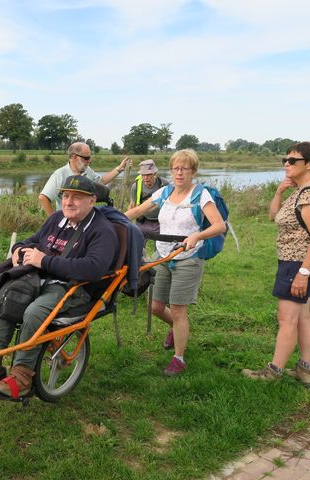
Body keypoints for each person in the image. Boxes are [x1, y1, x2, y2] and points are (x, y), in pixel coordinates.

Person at [0, 175, 118, 398]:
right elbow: (31, 240)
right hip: (39, 279)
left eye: (76, 197)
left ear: (92, 201)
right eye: (65, 196)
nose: (68, 202)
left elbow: (94, 268)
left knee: (34, 312)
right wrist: (18, 249)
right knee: (9, 297)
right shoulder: (56, 219)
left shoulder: (102, 230)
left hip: (74, 288)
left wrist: (43, 261)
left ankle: (23, 374)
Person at [124, 149, 225, 376]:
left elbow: (219, 226)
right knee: (156, 307)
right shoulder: (165, 191)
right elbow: (140, 209)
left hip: (188, 259)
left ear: (193, 171)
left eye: (185, 168)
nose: (179, 173)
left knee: (179, 310)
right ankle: (176, 329)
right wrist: (114, 218)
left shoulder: (201, 195)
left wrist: (196, 236)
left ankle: (179, 358)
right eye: (175, 168)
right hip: (163, 256)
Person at [242, 142, 310, 386]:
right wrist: (279, 192)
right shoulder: (299, 192)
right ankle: (306, 369)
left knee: (287, 320)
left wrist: (303, 271)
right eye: (285, 160)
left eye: (293, 161)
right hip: (295, 263)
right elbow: (273, 216)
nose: (287, 164)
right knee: (303, 318)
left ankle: (274, 372)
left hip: (296, 264)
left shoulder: (307, 195)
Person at [38, 141, 130, 216]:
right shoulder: (60, 174)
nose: (89, 161)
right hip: (68, 221)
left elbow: (101, 181)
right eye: (86, 158)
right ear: (74, 157)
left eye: (89, 158)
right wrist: (54, 220)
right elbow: (43, 197)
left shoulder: (87, 170)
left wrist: (119, 169)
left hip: (86, 221)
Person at [128, 159, 168, 241]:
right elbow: (132, 206)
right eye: (143, 175)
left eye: (149, 174)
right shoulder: (136, 186)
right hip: (142, 222)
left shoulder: (164, 184)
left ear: (155, 174)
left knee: (161, 250)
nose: (146, 178)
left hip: (160, 223)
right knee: (138, 248)